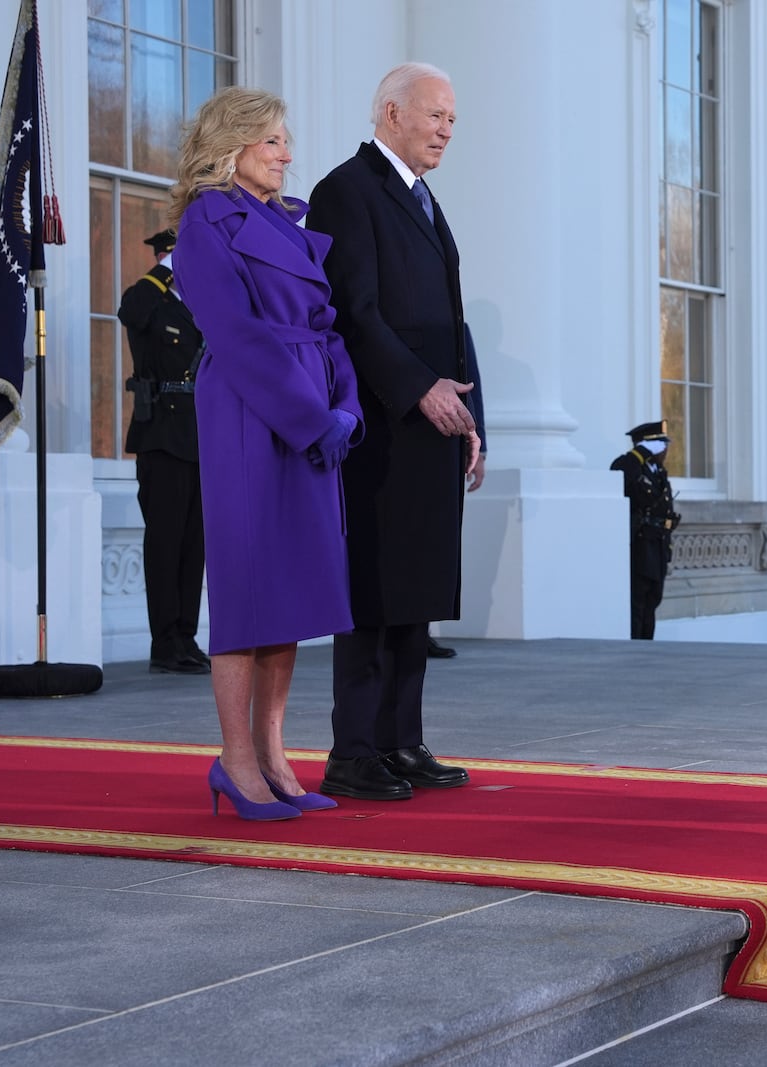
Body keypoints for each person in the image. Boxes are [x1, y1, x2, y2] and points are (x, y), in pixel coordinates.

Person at [170, 87, 362, 821]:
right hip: (252, 414)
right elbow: (238, 334)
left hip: (310, 408)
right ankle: (236, 762)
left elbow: (329, 328)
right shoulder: (205, 222)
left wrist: (344, 406)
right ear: (235, 145)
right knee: (250, 589)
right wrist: (310, 417)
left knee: (291, 590)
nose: (287, 154)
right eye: (274, 141)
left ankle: (276, 754)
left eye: (286, 141)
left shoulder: (284, 222)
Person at [307, 62, 480, 801]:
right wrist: (418, 390)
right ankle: (354, 750)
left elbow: (452, 318)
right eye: (436, 114)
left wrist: (476, 422)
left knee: (417, 592)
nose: (447, 128)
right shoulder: (345, 191)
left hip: (438, 423)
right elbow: (355, 312)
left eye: (452, 118)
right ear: (390, 111)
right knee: (375, 592)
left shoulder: (426, 198)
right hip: (383, 427)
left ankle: (402, 741)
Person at [118, 228, 209, 676]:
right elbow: (129, 313)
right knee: (166, 541)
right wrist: (165, 270)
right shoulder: (148, 298)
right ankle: (164, 640)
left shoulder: (198, 308)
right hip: (161, 437)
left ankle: (186, 636)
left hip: (199, 438)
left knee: (195, 544)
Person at [427, 322, 489, 661]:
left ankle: (425, 630)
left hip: (452, 444)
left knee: (440, 545)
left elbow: (472, 390)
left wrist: (481, 449)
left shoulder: (458, 326)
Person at [611, 421, 680, 640]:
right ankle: (636, 649)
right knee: (637, 604)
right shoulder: (631, 466)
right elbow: (618, 473)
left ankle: (647, 647)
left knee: (652, 601)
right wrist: (639, 453)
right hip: (641, 547)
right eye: (661, 446)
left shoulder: (658, 472)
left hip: (657, 546)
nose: (666, 451)